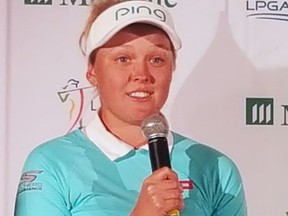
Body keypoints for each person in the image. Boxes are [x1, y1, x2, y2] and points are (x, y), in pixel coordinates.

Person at [14, 0, 247, 215]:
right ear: (92, 71)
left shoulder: (214, 167)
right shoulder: (53, 163)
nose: (141, 75)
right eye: (123, 58)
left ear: (172, 68)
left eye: (156, 59)